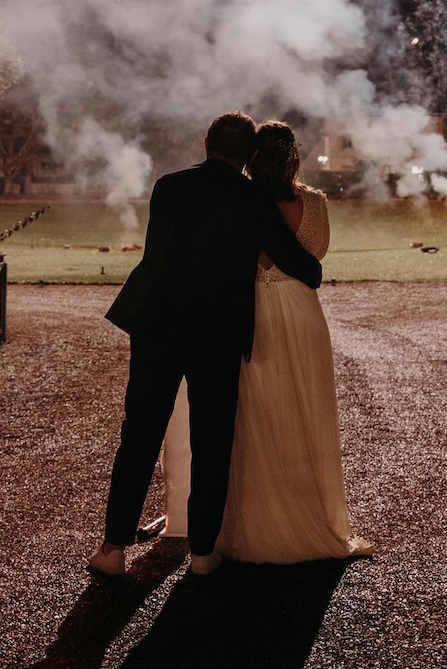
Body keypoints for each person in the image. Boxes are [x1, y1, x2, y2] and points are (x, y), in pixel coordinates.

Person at [89, 111, 323, 579]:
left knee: (139, 432)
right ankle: (201, 552)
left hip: (158, 321)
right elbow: (300, 264)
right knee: (213, 438)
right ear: (250, 155)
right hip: (217, 329)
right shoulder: (251, 198)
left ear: (205, 142)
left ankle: (113, 548)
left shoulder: (169, 186)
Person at [162, 121, 369, 563]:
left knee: (253, 420)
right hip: (302, 312)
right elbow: (314, 257)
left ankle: (251, 523)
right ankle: (312, 518)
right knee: (305, 413)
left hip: (253, 311)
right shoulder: (314, 202)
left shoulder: (243, 198)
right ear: (293, 156)